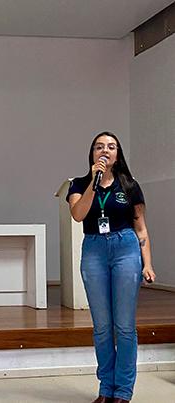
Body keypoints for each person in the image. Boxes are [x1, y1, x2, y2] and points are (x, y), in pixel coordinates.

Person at [66, 131, 156, 403]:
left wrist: (147, 263)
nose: (105, 150)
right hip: (94, 249)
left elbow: (141, 229)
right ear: (92, 154)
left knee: (125, 325)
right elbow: (78, 214)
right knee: (102, 326)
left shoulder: (130, 185)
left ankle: (123, 391)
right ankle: (106, 388)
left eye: (111, 147)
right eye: (99, 147)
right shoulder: (79, 184)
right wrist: (94, 184)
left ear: (118, 155)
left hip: (125, 248)